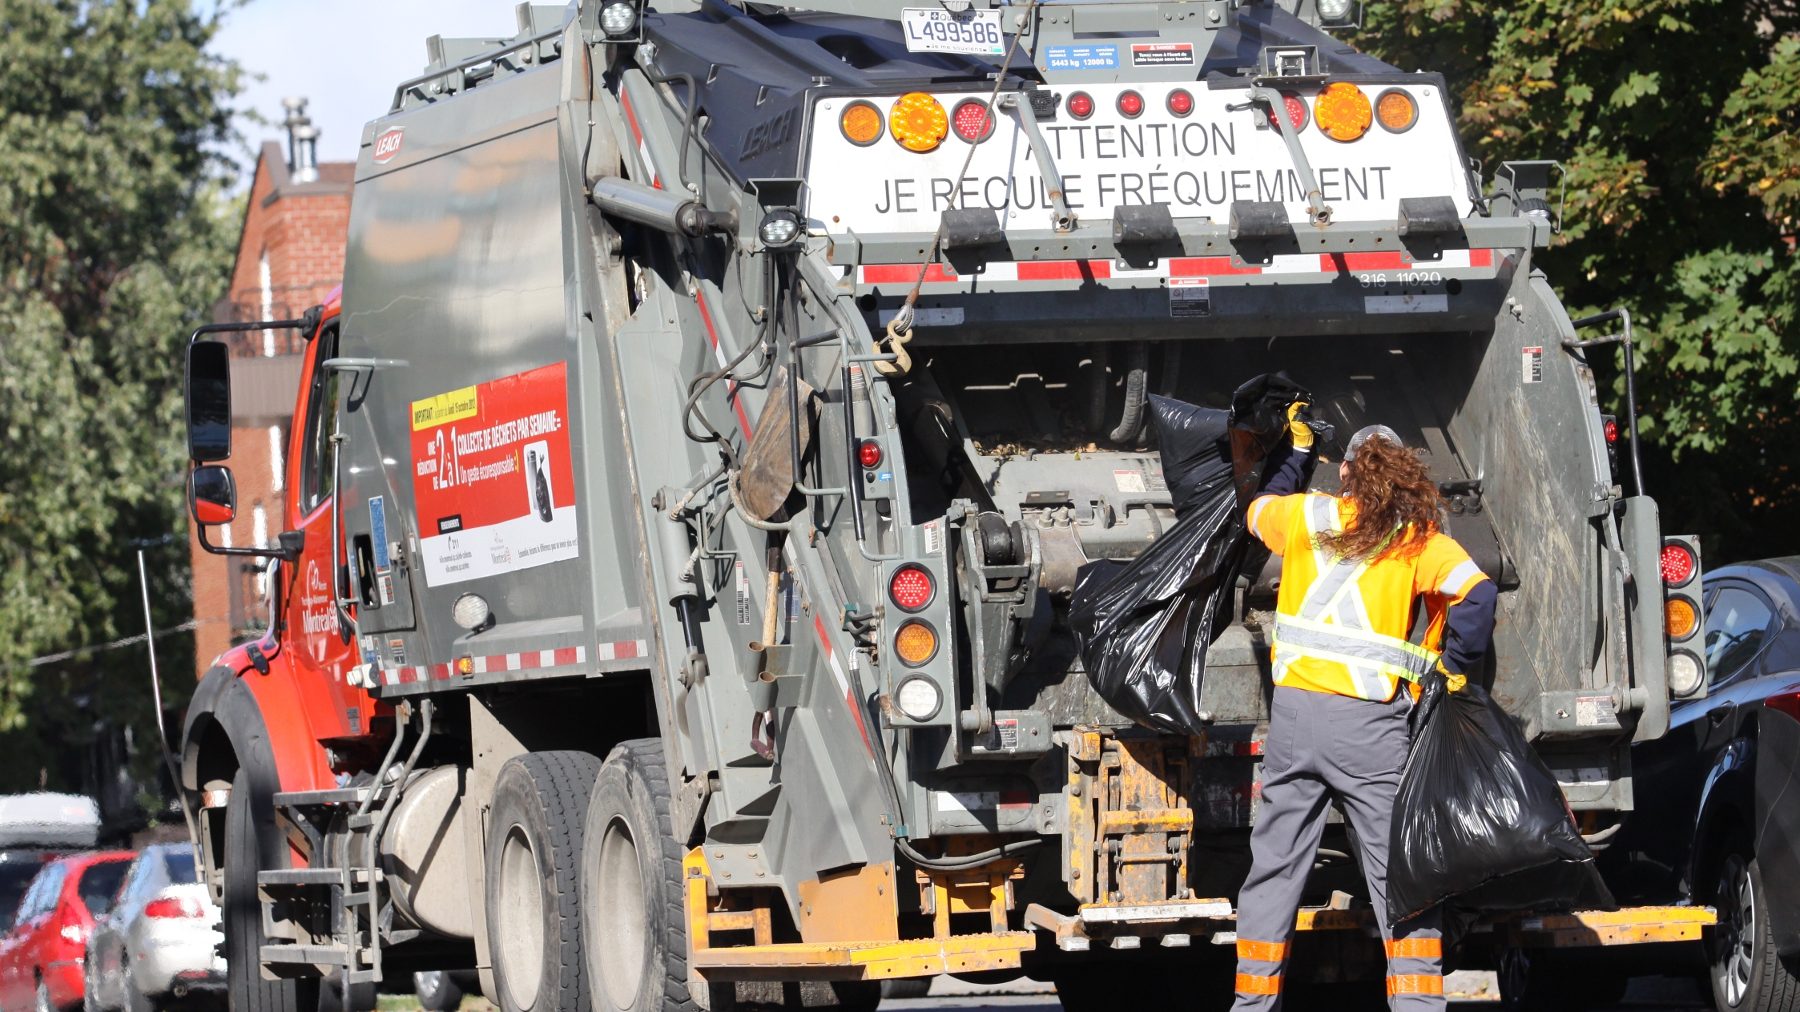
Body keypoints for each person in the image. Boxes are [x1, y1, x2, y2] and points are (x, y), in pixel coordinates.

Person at [1230, 408, 1497, 1011]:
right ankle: (1419, 1006)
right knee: (1399, 876)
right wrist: (1452, 670)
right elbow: (1477, 597)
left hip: (1295, 722)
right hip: (1371, 733)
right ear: (1401, 475)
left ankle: (1251, 1006)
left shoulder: (1307, 515)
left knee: (1273, 873)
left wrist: (1297, 451)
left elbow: (1257, 507)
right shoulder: (1418, 538)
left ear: (1345, 471)